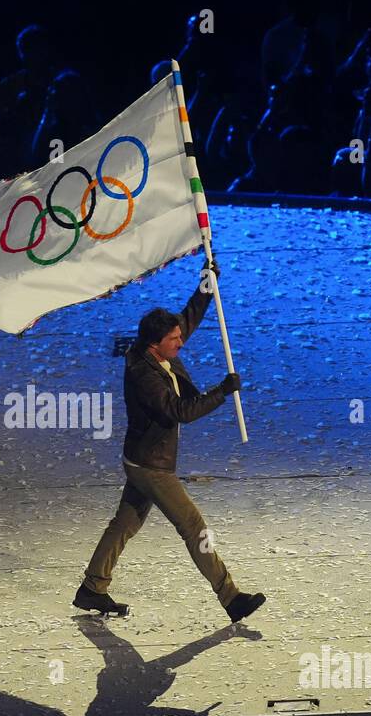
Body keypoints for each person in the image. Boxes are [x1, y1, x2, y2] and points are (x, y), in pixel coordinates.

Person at [74, 258, 266, 624]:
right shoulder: (143, 376)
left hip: (141, 459)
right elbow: (180, 411)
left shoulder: (157, 351)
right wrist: (222, 392)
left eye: (179, 337)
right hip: (151, 466)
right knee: (194, 527)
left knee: (124, 524)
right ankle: (231, 598)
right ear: (154, 344)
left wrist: (206, 285)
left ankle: (92, 588)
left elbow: (187, 319)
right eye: (174, 340)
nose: (181, 342)